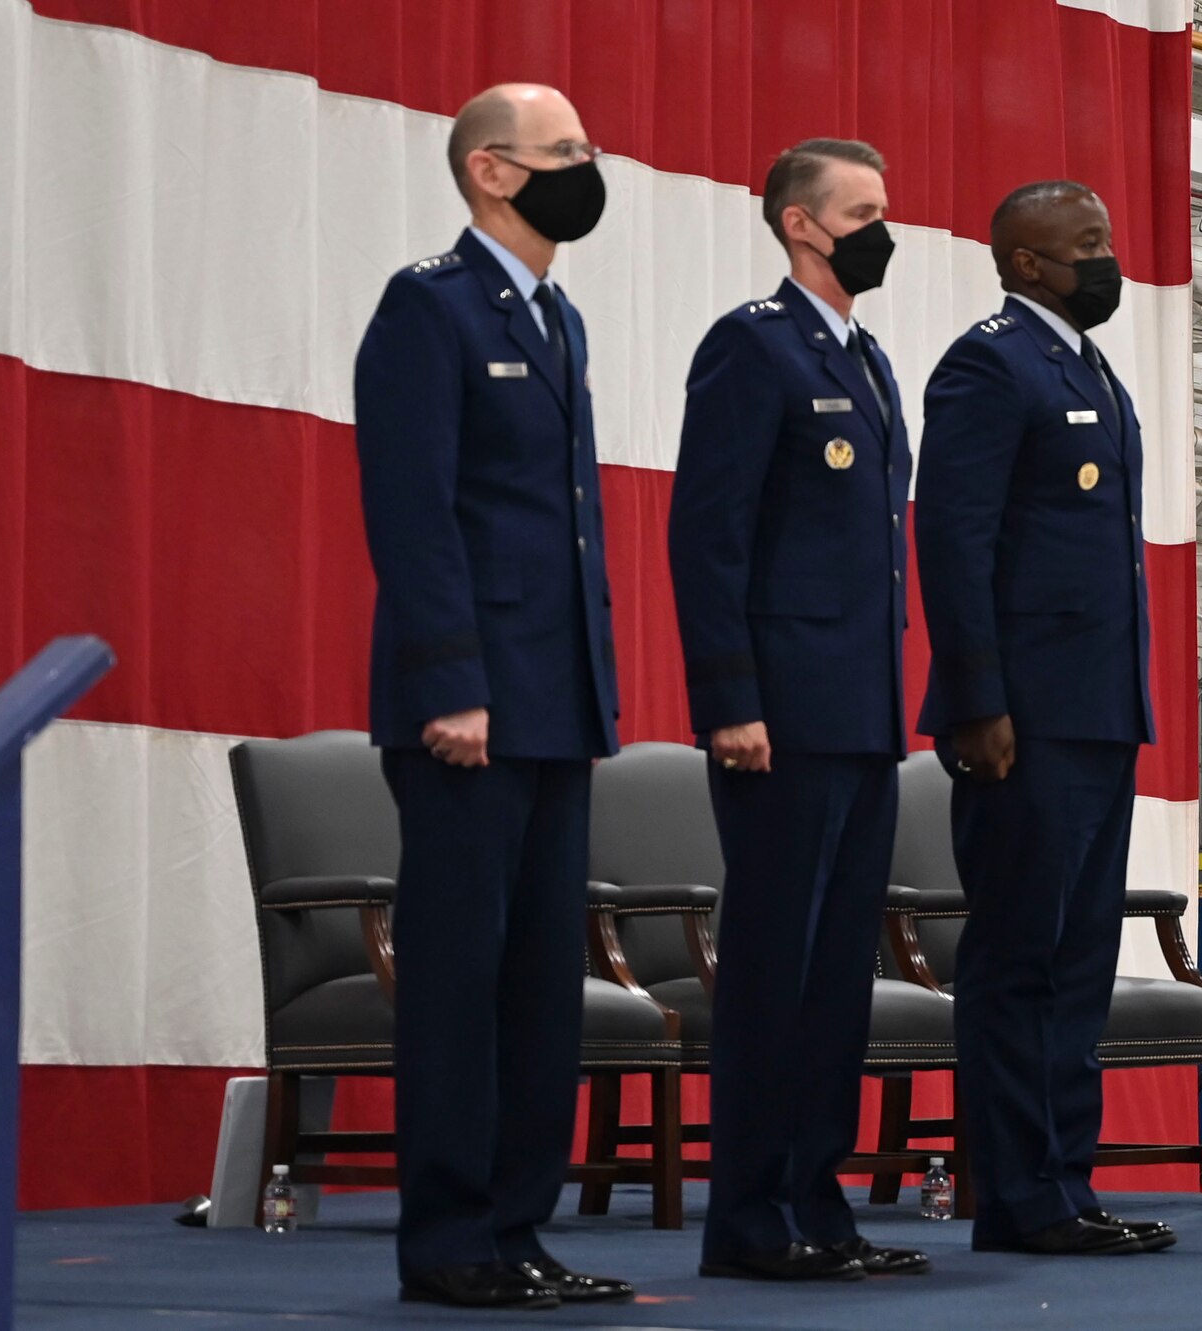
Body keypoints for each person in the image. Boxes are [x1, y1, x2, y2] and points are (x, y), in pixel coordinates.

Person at [353, 83, 630, 1310]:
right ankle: (451, 1237)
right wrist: (449, 685)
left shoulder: (555, 315)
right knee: (461, 981)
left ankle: (520, 1225)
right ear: (490, 173)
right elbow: (415, 517)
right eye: (565, 152)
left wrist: (589, 694)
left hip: (553, 701)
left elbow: (564, 531)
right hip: (468, 709)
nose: (588, 167)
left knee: (537, 985)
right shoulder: (431, 306)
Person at [667, 138, 928, 1283]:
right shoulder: (751, 346)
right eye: (862, 210)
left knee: (834, 978)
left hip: (860, 714)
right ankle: (750, 1216)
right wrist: (729, 698)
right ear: (799, 225)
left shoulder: (867, 361)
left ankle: (817, 1203)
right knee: (774, 968)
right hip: (777, 714)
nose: (884, 227)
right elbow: (707, 535)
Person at [914, 181, 1173, 1257]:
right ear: (1024, 262)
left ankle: (1063, 1180)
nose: (1106, 259)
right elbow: (953, 541)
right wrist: (977, 699)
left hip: (1098, 708)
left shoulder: (1087, 367)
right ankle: (1017, 1193)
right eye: (1086, 246)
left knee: (1075, 959)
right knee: (1019, 954)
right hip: (1021, 717)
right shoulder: (989, 362)